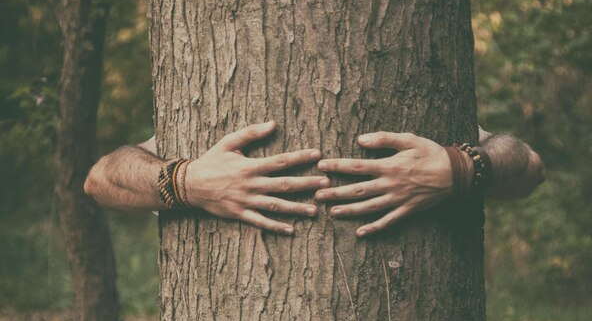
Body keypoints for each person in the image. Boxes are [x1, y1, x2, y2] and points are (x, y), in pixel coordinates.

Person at [84, 120, 544, 236]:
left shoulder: (423, 92)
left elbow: (527, 166)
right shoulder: (199, 116)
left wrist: (463, 167)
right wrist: (186, 182)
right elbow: (102, 178)